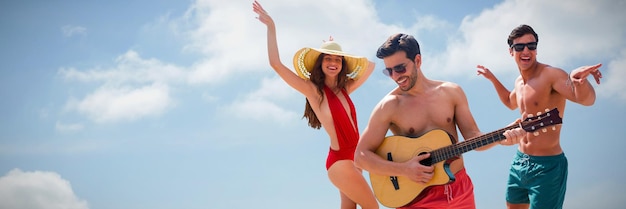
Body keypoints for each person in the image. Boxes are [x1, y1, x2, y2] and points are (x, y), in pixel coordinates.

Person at [354, 33, 524, 209]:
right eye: (388, 71)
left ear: (418, 61)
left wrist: (502, 137)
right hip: (416, 198)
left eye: (400, 68)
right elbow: (360, 156)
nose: (395, 76)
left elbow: (474, 137)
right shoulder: (389, 106)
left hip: (460, 190)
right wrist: (403, 169)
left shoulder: (452, 92)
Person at [252, 1, 379, 209]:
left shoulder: (346, 89)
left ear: (342, 64)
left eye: (338, 60)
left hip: (355, 161)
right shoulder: (314, 92)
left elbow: (370, 66)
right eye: (327, 58)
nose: (333, 62)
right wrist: (271, 27)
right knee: (372, 207)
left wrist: (337, 47)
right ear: (320, 63)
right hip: (340, 163)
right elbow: (275, 64)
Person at [476, 24, 603, 209]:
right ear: (511, 51)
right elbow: (510, 102)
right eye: (519, 47)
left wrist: (578, 82)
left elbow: (586, 100)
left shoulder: (551, 75)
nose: (526, 50)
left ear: (536, 48)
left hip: (548, 166)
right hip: (520, 161)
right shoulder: (519, 82)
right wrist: (492, 78)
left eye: (531, 46)